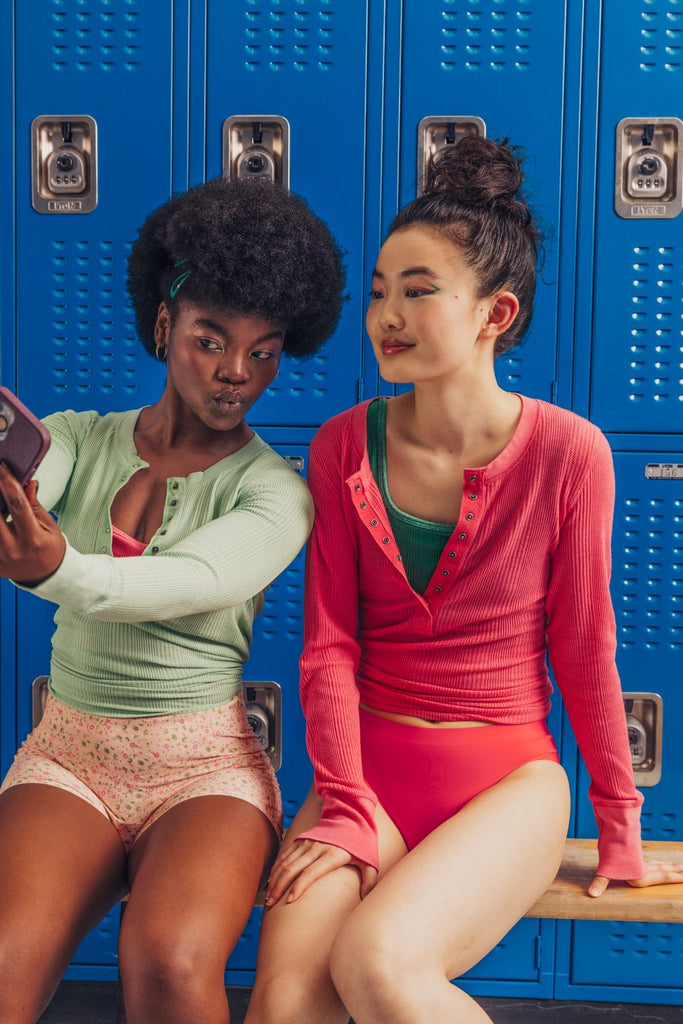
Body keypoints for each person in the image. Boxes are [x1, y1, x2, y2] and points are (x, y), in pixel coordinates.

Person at [246, 136, 683, 1024]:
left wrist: (617, 824)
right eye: (376, 291)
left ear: (493, 313)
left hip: (505, 781)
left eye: (417, 292)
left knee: (379, 965)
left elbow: (586, 647)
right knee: (286, 1004)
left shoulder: (571, 453)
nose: (385, 316)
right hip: (367, 772)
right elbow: (327, 647)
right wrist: (340, 800)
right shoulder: (339, 446)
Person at [0, 175, 344, 1024]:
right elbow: (36, 480)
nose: (236, 373)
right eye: (209, 340)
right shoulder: (78, 436)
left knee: (170, 962)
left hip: (204, 770)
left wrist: (53, 571)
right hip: (70, 752)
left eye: (263, 352)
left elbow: (187, 582)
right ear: (164, 326)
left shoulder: (275, 493)